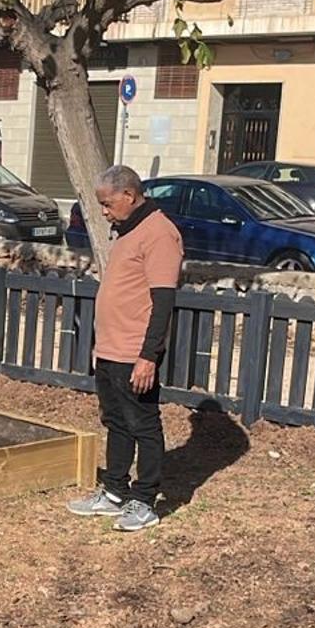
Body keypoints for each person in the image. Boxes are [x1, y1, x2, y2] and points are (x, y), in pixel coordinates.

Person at [68, 165, 183, 532]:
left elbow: (162, 301)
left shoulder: (160, 234)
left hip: (135, 351)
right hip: (110, 349)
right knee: (115, 421)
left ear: (129, 196)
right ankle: (114, 491)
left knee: (143, 425)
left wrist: (148, 355)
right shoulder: (127, 231)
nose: (103, 211)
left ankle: (145, 500)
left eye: (107, 203)